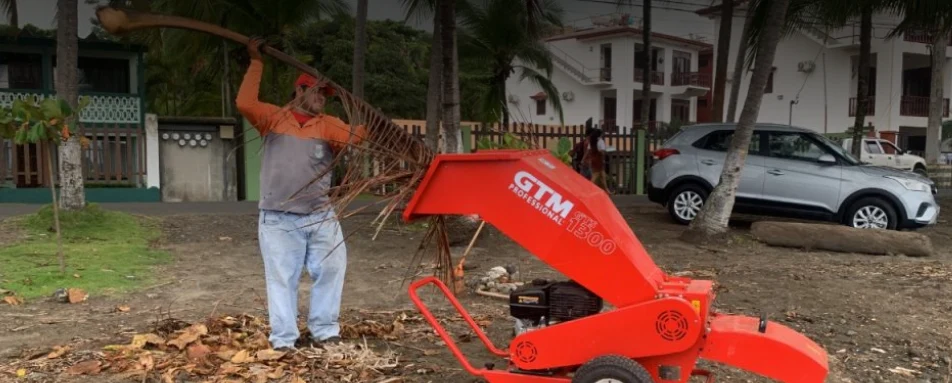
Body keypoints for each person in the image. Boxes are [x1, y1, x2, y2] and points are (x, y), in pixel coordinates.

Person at [235, 38, 367, 351]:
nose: (321, 97)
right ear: (299, 91)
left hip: (321, 214)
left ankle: (324, 331)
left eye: (325, 93)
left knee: (332, 270)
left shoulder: (329, 125)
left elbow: (360, 138)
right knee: (282, 279)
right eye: (316, 91)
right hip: (278, 218)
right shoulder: (272, 118)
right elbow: (244, 103)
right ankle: (284, 340)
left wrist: (376, 123)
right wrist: (256, 62)